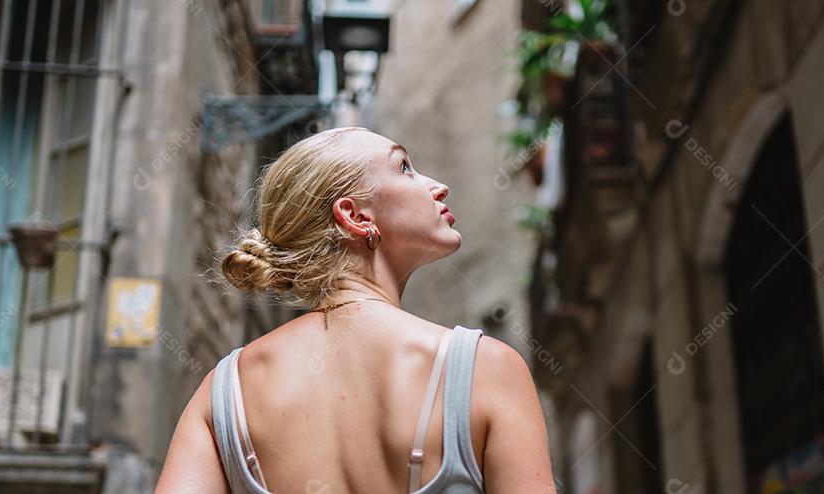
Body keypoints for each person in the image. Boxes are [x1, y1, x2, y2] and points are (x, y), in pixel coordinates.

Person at [155, 127, 555, 493]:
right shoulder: (486, 371)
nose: (439, 186)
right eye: (405, 168)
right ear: (355, 216)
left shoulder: (225, 394)